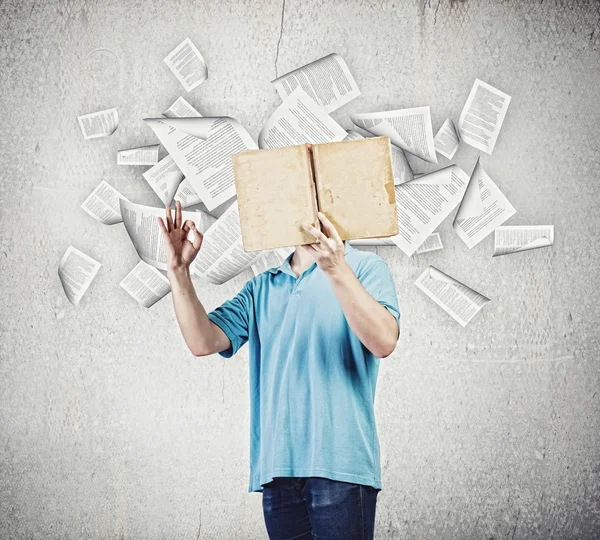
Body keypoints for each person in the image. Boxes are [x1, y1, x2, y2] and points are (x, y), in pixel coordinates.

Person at [158, 198, 401, 540]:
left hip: (342, 467)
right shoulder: (261, 287)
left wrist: (334, 267)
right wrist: (178, 271)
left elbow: (385, 341)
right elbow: (201, 341)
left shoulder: (364, 269)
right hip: (277, 470)